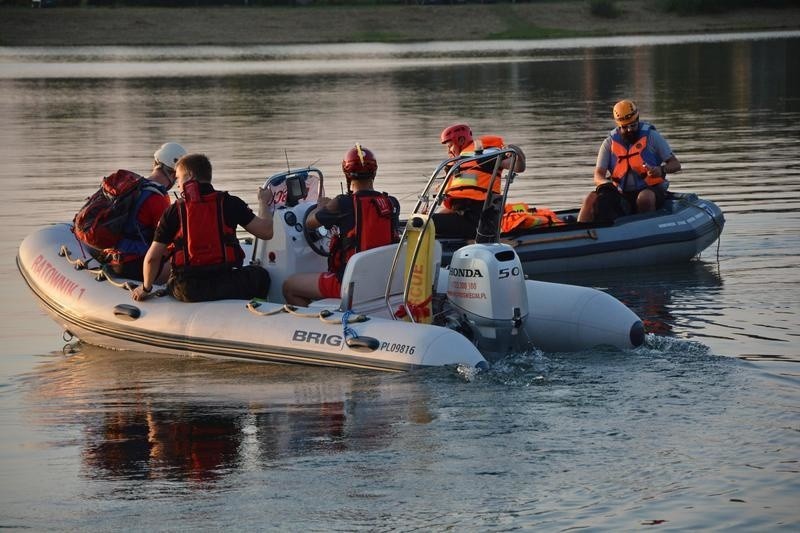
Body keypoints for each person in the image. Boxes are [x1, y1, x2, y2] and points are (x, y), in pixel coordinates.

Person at [131, 153, 274, 303]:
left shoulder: (174, 211)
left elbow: (152, 258)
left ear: (190, 175)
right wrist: (263, 202)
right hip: (226, 283)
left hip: (189, 289)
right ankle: (255, 310)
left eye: (179, 177)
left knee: (173, 282)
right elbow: (266, 231)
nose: (178, 184)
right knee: (261, 275)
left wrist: (145, 288)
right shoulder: (231, 203)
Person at [282, 144, 400, 306]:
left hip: (349, 284)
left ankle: (315, 328)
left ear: (346, 173)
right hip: (383, 282)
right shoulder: (391, 203)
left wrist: (320, 206)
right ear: (374, 172)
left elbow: (310, 223)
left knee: (289, 286)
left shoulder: (342, 203)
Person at [83, 142, 186, 282]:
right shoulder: (158, 199)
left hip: (116, 259)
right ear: (175, 174)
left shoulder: (134, 188)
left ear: (155, 163)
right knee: (184, 258)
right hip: (136, 265)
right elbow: (165, 241)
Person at [577, 99, 682, 223]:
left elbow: (675, 164)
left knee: (644, 198)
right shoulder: (608, 143)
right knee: (591, 198)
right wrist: (607, 184)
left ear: (637, 119)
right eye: (625, 127)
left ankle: (649, 230)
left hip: (650, 189)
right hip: (621, 192)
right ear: (618, 125)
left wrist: (661, 169)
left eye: (633, 125)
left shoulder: (652, 137)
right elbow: (598, 175)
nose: (629, 130)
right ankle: (582, 231)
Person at [432, 123, 526, 240]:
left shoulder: (483, 157)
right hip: (464, 219)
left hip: (479, 222)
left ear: (461, 140)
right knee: (421, 221)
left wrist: (517, 155)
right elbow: (456, 208)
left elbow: (518, 167)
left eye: (450, 146)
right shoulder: (458, 164)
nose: (448, 151)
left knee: (427, 224)